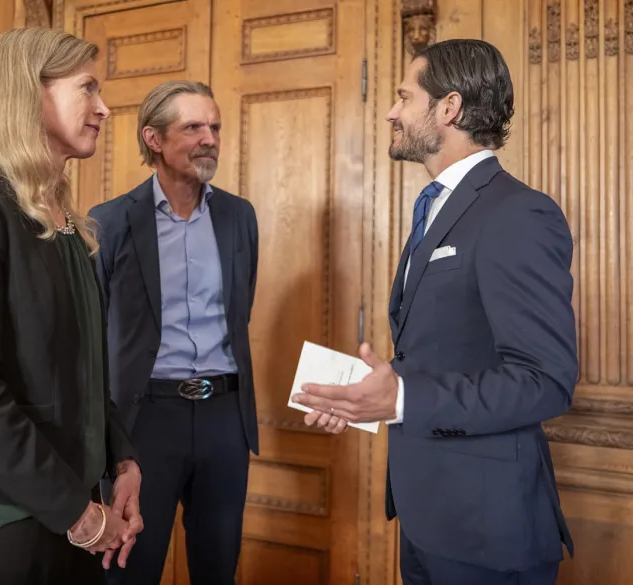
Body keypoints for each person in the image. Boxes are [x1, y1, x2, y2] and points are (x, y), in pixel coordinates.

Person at [293, 39, 577, 585]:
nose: (391, 111)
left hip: (486, 531)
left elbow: (545, 381)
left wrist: (401, 398)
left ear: (449, 108)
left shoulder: (518, 213)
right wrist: (362, 399)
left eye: (404, 97)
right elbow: (437, 351)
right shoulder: (436, 206)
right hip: (426, 517)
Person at [0, 28, 144, 585]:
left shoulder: (71, 229)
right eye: (87, 88)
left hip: (72, 514)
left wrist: (123, 460)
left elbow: (84, 372)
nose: (104, 108)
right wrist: (78, 514)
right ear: (28, 93)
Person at [89, 80, 259, 585]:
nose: (210, 138)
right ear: (154, 139)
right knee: (130, 569)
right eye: (193, 127)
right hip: (143, 422)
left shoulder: (239, 217)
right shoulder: (109, 222)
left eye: (215, 127)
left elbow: (241, 310)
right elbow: (92, 333)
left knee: (217, 569)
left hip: (224, 418)